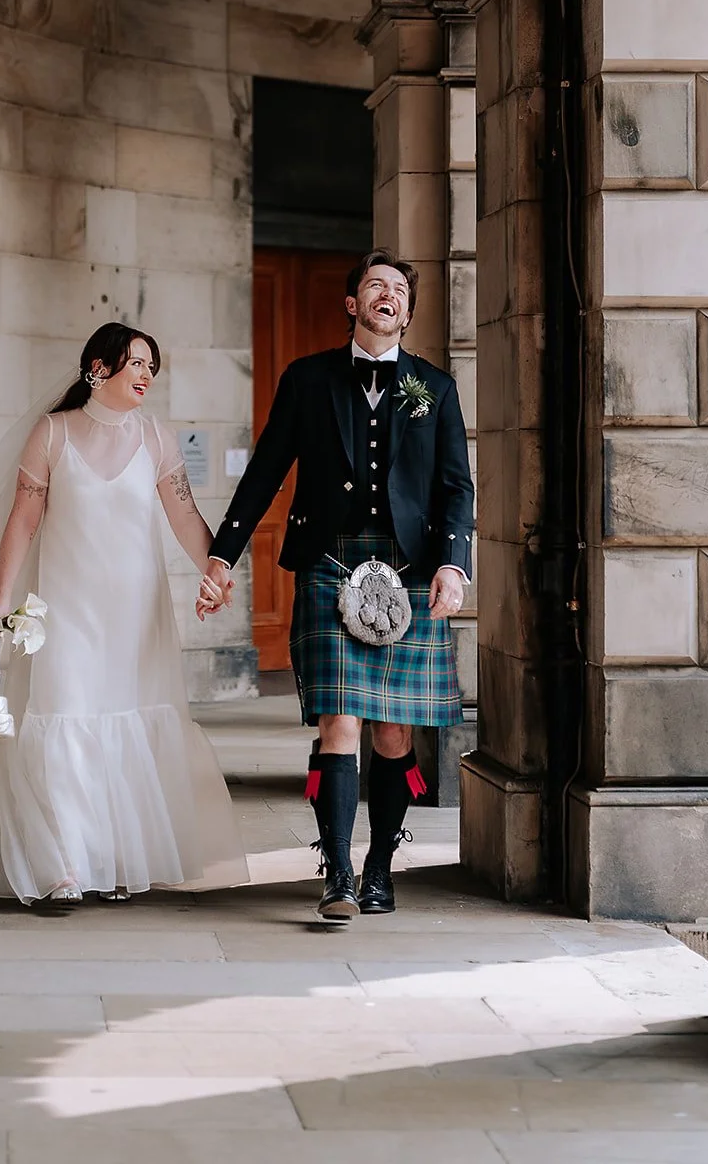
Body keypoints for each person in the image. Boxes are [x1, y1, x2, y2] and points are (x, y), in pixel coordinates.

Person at [0, 322, 248, 904]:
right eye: (135, 363)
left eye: (152, 366)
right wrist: (0, 597)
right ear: (98, 368)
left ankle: (112, 861)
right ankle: (62, 866)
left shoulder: (156, 437)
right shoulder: (52, 434)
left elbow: (185, 518)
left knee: (129, 717)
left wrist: (216, 566)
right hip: (65, 609)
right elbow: (23, 521)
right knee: (65, 719)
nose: (146, 375)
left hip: (137, 614)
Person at [198, 251, 473, 923]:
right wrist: (221, 555)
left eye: (399, 290)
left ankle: (379, 866)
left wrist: (451, 564)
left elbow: (454, 486)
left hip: (407, 570)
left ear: (407, 312)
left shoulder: (432, 388)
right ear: (352, 304)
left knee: (392, 735)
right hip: (329, 560)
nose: (388, 296)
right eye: (376, 286)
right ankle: (338, 871)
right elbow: (265, 470)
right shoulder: (308, 379)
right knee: (338, 721)